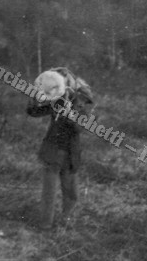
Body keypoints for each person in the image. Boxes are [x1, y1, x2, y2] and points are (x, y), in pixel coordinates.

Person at [27, 67, 94, 230]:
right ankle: (45, 225)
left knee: (71, 193)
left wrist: (70, 113)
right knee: (49, 192)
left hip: (71, 152)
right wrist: (35, 97)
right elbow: (33, 112)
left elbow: (82, 127)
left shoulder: (84, 99)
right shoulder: (57, 97)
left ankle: (66, 222)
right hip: (53, 149)